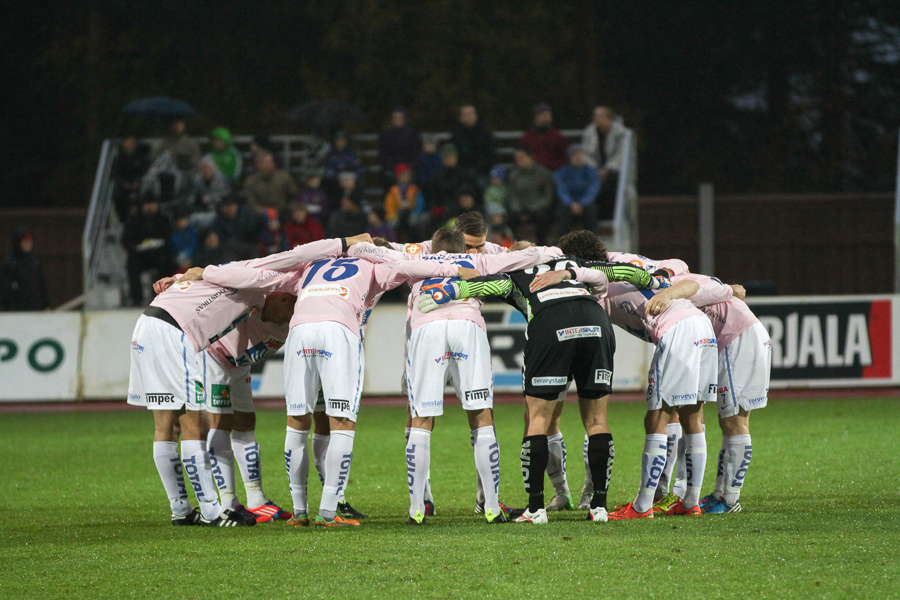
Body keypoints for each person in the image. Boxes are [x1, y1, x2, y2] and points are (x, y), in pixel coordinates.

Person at [198, 235, 474, 527]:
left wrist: (200, 273)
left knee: (297, 420)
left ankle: (300, 511)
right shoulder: (373, 268)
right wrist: (458, 270)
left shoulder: (309, 267)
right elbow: (413, 267)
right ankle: (329, 512)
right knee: (342, 422)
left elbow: (256, 273)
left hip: (301, 330)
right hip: (338, 330)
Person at [418, 230, 662, 524]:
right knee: (597, 420)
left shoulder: (513, 274)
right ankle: (599, 507)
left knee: (538, 419)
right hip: (595, 323)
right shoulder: (571, 263)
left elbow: (484, 284)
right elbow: (619, 271)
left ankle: (535, 509)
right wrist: (652, 279)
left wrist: (448, 293)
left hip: (552, 325)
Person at [129, 236, 351, 526]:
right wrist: (180, 277)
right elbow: (223, 272)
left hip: (238, 365)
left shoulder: (303, 310)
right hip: (213, 355)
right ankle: (224, 502)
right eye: (289, 311)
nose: (288, 321)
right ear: (283, 296)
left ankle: (254, 499)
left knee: (244, 423)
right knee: (209, 424)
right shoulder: (259, 287)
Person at [364, 227, 563, 524]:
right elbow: (534, 255)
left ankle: (417, 509)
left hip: (426, 327)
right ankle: (492, 507)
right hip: (467, 324)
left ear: (433, 247)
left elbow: (380, 256)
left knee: (421, 418)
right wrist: (554, 253)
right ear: (464, 246)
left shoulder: (416, 261)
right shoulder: (478, 262)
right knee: (481, 414)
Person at [556, 261, 714, 519]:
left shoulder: (602, 291)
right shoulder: (646, 276)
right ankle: (690, 502)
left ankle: (643, 505)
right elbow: (692, 282)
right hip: (702, 327)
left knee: (656, 418)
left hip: (678, 331)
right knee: (692, 416)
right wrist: (667, 291)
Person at [671, 273, 770, 515]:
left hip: (739, 338)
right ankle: (720, 494)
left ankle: (730, 500)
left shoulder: (677, 290)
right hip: (740, 336)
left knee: (735, 420)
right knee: (728, 421)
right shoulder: (689, 282)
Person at [580, 106, 635, 220]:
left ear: (609, 118)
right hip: (595, 170)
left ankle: (611, 217)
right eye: (594, 116)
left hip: (614, 170)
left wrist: (607, 169)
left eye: (599, 116)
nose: (596, 118)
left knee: (612, 180)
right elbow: (586, 154)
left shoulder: (621, 133)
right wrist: (595, 170)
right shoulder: (589, 132)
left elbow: (620, 155)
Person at [123, 193, 172, 306]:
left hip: (158, 254)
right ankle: (137, 299)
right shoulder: (134, 220)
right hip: (140, 256)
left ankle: (164, 297)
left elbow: (168, 239)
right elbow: (127, 240)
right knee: (132, 263)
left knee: (165, 261)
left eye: (152, 204)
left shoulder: (163, 219)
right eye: (147, 204)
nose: (150, 207)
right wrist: (136, 248)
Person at [507, 146, 554, 244]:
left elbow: (547, 196)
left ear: (530, 157)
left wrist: (532, 208)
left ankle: (542, 244)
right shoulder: (513, 175)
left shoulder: (542, 173)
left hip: (537, 208)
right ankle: (517, 244)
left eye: (522, 157)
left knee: (544, 217)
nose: (519, 160)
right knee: (509, 217)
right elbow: (512, 195)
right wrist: (519, 209)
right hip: (519, 209)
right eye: (517, 158)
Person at [0, 228, 50, 311]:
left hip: (36, 311)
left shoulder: (35, 262)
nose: (28, 244)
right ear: (18, 242)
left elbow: (42, 285)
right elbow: (5, 290)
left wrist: (46, 304)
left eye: (30, 241)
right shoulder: (9, 263)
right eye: (25, 241)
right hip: (16, 313)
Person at [554, 145, 600, 233]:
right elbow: (562, 190)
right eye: (575, 155)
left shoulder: (591, 171)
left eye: (580, 155)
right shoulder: (562, 172)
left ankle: (592, 241)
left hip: (586, 203)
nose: (578, 158)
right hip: (569, 204)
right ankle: (564, 242)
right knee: (562, 211)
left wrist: (582, 203)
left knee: (591, 210)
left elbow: (593, 190)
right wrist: (571, 203)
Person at [425, 144, 477, 221]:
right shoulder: (437, 176)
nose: (449, 159)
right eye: (447, 157)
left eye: (451, 157)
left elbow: (469, 194)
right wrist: (435, 207)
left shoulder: (464, 175)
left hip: (461, 210)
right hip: (442, 210)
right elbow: (432, 196)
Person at [378, 107, 422, 186]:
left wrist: (406, 168)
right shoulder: (385, 135)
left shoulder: (413, 134)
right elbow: (383, 155)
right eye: (395, 118)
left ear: (405, 119)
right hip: (391, 168)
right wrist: (394, 168)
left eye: (400, 117)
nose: (397, 120)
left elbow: (417, 154)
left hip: (409, 168)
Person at [211, 195, 264, 261]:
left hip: (248, 246)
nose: (231, 209)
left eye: (233, 206)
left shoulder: (247, 216)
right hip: (229, 249)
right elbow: (219, 239)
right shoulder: (218, 220)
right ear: (223, 208)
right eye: (228, 206)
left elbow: (254, 232)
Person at [111, 135, 150, 224]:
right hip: (124, 186)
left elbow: (145, 171)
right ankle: (123, 221)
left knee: (144, 197)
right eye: (127, 142)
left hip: (139, 185)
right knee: (118, 198)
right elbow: (115, 173)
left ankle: (142, 220)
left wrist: (138, 181)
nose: (129, 144)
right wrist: (124, 183)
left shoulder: (141, 157)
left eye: (131, 142)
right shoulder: (119, 158)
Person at [449, 105, 495, 179]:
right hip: (460, 172)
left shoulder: (485, 134)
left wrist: (476, 170)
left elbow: (490, 156)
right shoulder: (456, 135)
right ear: (460, 117)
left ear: (476, 116)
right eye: (465, 114)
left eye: (470, 114)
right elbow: (453, 155)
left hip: (481, 172)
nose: (468, 117)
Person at [519, 104, 568, 171]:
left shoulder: (557, 136)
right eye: (542, 115)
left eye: (548, 115)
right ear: (535, 118)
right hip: (532, 173)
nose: (545, 118)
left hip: (553, 172)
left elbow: (564, 157)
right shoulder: (527, 137)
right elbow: (520, 156)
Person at [383, 163, 425, 241]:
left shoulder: (414, 189)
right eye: (403, 174)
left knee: (414, 226)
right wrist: (392, 216)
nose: (406, 177)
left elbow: (420, 203)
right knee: (392, 227)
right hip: (398, 215)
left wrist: (415, 214)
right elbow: (389, 205)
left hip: (411, 214)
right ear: (398, 176)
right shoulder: (393, 190)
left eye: (407, 174)